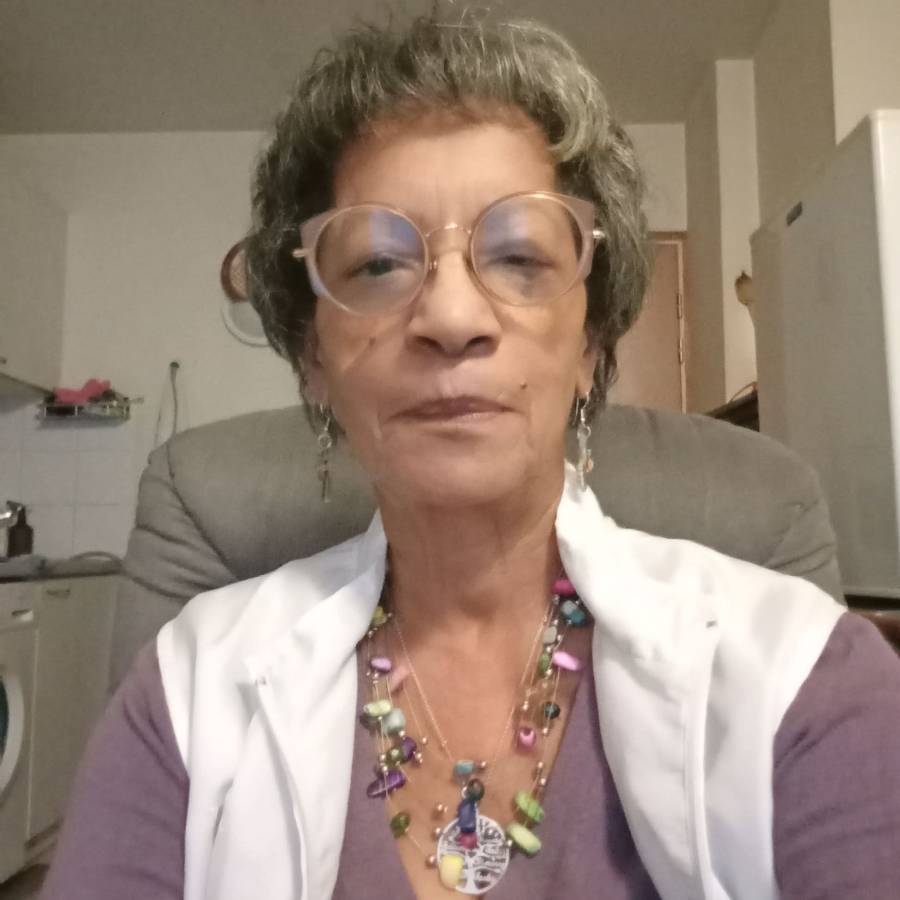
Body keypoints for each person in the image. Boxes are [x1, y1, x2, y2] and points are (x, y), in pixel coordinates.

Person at [41, 7, 900, 900]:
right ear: (313, 359)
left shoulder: (805, 677)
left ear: (592, 341)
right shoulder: (189, 691)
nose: (452, 318)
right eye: (377, 266)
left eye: (520, 256)